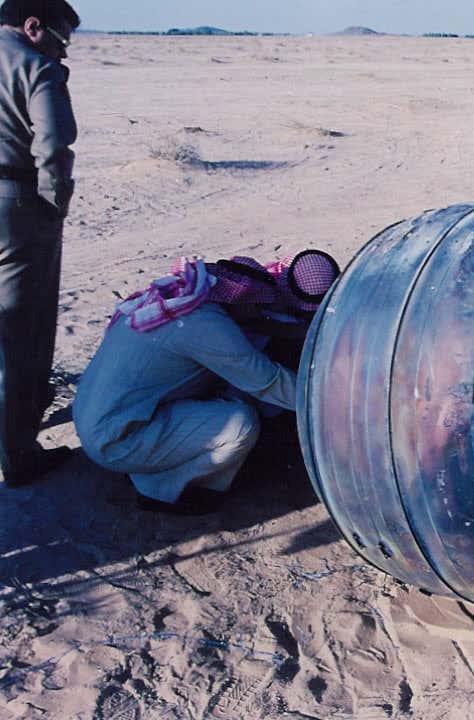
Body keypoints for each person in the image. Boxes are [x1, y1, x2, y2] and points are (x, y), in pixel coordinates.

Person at [72, 250, 340, 514]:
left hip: (96, 419)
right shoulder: (206, 326)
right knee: (239, 424)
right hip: (117, 440)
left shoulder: (183, 296)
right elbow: (267, 381)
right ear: (241, 301)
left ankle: (156, 460)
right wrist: (328, 407)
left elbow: (257, 326)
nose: (262, 312)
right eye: (258, 306)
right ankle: (162, 489)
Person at [0, 0, 79, 487]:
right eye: (60, 39)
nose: (62, 52)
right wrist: (53, 207)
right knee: (20, 337)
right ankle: (19, 455)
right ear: (33, 27)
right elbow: (52, 145)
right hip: (16, 210)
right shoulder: (36, 66)